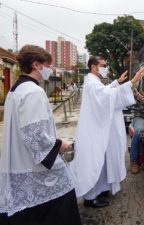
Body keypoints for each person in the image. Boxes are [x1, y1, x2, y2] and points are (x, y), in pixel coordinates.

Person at [0, 45, 82, 225]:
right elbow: (35, 135)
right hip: (34, 167)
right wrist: (61, 145)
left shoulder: (16, 89)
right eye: (48, 65)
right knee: (62, 195)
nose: (50, 70)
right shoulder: (33, 91)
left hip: (19, 161)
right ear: (36, 65)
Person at [69, 56, 144, 208]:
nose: (105, 67)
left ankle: (101, 189)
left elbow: (105, 92)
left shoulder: (93, 82)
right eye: (103, 65)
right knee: (95, 161)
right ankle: (90, 198)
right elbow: (105, 96)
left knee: (102, 160)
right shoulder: (91, 83)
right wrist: (132, 81)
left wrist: (117, 82)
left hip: (97, 129)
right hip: (94, 131)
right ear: (94, 67)